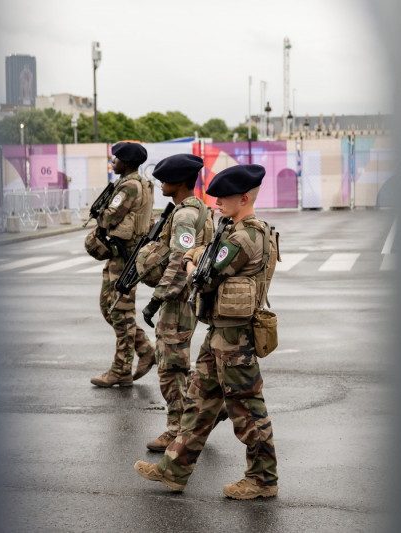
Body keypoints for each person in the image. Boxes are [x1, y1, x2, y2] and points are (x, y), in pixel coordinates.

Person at [134, 164, 280, 500]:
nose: (216, 202)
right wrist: (198, 255)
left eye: (224, 198)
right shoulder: (234, 230)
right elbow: (208, 260)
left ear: (244, 198)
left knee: (247, 410)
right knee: (198, 404)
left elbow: (205, 275)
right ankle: (173, 470)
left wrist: (189, 259)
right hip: (219, 335)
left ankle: (262, 479)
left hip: (235, 339)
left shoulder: (246, 236)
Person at [136, 154, 216, 452]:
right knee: (179, 363)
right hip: (187, 297)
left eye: (165, 179)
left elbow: (180, 259)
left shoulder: (184, 215)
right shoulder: (199, 209)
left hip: (178, 298)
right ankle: (198, 418)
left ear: (180, 182)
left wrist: (156, 301)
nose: (161, 183)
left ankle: (176, 431)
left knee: (170, 365)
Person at [90, 142, 157, 387]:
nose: (113, 162)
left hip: (125, 256)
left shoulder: (129, 186)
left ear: (126, 162)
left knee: (120, 310)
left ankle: (121, 369)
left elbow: (109, 218)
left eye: (116, 158)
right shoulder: (135, 183)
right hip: (120, 255)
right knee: (109, 308)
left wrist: (100, 213)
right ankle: (145, 349)